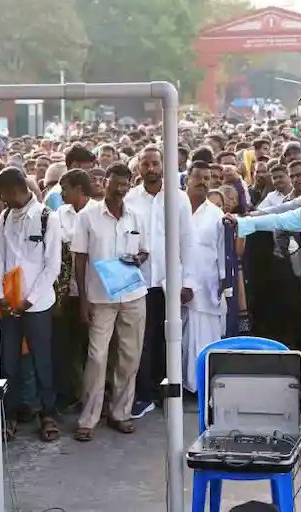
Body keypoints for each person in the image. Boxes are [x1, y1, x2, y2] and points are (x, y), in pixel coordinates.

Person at [71, 163, 149, 442]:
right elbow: (79, 258)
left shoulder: (136, 216)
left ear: (129, 186)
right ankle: (88, 417)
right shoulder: (88, 216)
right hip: (99, 297)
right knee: (97, 356)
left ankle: (120, 413)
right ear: (105, 182)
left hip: (132, 295)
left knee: (129, 356)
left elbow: (144, 252)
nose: (120, 189)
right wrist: (82, 300)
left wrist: (137, 260)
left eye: (125, 184)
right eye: (115, 183)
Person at [0, 167, 62, 442]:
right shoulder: (5, 217)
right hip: (9, 303)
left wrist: (28, 301)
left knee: (41, 360)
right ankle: (9, 415)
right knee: (8, 361)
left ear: (13, 190)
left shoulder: (47, 217)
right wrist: (1, 296)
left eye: (1, 193)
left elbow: (52, 267)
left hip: (37, 304)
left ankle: (48, 413)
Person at [125, 146, 193, 419]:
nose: (151, 169)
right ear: (139, 167)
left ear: (163, 165)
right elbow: (128, 236)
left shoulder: (179, 198)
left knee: (170, 338)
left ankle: (170, 392)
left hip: (170, 280)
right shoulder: (130, 198)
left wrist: (187, 280)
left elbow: (186, 241)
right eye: (146, 164)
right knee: (142, 341)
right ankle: (145, 394)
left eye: (155, 163)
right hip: (140, 281)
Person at [52, 168, 95, 412]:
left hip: (92, 291)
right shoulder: (59, 214)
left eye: (65, 188)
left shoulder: (97, 212)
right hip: (66, 292)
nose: (61, 193)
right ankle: (72, 393)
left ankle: (93, 395)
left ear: (78, 189)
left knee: (93, 347)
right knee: (68, 347)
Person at [181, 161, 227, 392]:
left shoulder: (216, 214)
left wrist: (222, 281)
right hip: (174, 283)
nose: (202, 182)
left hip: (207, 284)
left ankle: (202, 386)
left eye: (207, 178)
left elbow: (221, 250)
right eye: (198, 177)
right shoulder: (174, 206)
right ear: (187, 179)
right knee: (179, 337)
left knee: (205, 334)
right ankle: (181, 385)